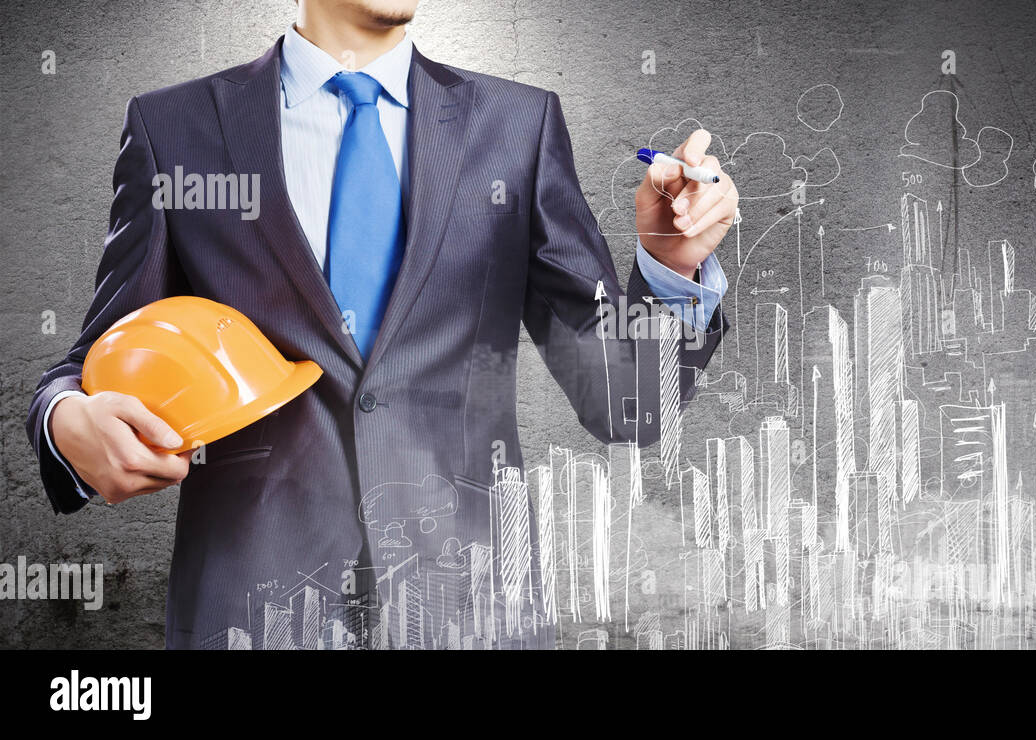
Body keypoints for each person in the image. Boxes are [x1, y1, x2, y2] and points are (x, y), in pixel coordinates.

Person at [26, 0, 736, 649]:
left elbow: (627, 403)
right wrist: (65, 421)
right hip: (249, 613)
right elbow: (99, 353)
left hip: (471, 612)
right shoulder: (175, 127)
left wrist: (671, 269)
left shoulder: (518, 126)